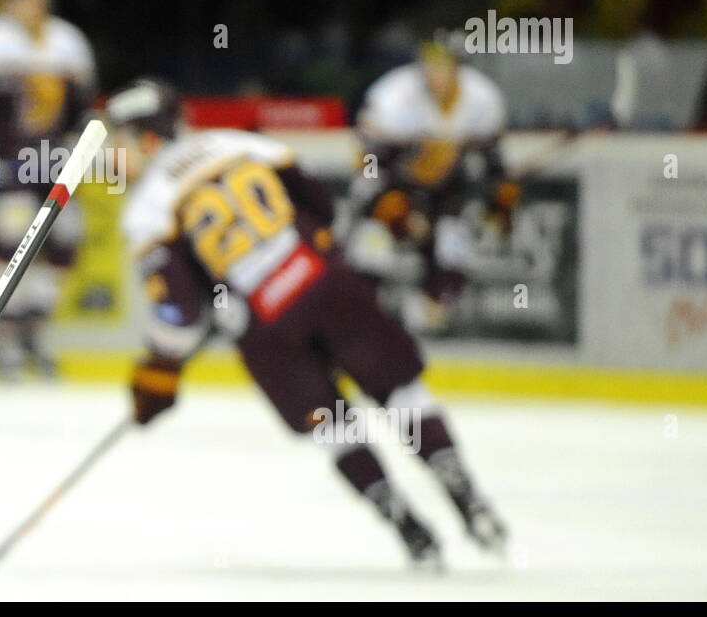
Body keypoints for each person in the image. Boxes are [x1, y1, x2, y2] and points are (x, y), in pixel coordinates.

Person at [106, 78, 507, 568]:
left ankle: (405, 524)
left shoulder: (147, 209)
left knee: (332, 426)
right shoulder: (243, 143)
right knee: (400, 392)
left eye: (120, 143)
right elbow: (320, 206)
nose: (115, 157)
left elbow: (181, 313)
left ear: (147, 141)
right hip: (329, 286)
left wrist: (160, 370)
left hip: (267, 328)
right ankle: (462, 487)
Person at [0, 0, 96, 378]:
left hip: (52, 157)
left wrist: (79, 148)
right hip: (8, 157)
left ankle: (36, 329)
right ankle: (4, 334)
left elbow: (82, 105)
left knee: (63, 242)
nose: (34, 6)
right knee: (10, 241)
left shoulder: (67, 38)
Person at [348, 34, 518, 333]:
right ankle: (359, 331)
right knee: (369, 254)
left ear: (457, 67)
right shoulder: (392, 96)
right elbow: (368, 162)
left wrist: (500, 196)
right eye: (428, 66)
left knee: (451, 271)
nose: (433, 75)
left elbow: (494, 162)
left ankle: (414, 338)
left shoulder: (482, 99)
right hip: (394, 189)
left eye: (442, 67)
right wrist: (387, 204)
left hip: (446, 197)